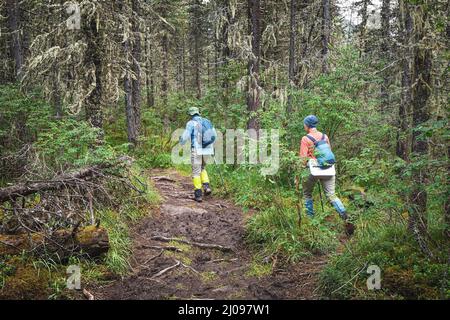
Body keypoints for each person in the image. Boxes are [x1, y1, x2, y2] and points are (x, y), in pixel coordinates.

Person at [298, 115, 354, 235]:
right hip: (329, 169)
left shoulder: (305, 138)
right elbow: (328, 152)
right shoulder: (325, 136)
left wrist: (299, 172)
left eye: (304, 124)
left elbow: (303, 159)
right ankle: (347, 218)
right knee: (331, 195)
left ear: (307, 125)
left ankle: (310, 223)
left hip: (313, 170)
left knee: (307, 194)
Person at [179, 107, 213, 202]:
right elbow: (214, 135)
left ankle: (198, 195)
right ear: (198, 113)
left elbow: (185, 136)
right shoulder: (207, 122)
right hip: (208, 149)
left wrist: (181, 141)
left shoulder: (190, 123)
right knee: (202, 168)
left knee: (196, 172)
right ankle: (206, 186)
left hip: (197, 150)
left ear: (190, 114)